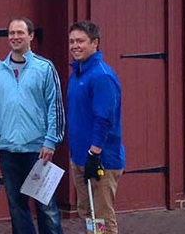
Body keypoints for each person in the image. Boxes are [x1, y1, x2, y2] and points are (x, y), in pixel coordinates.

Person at [0, 17, 65, 234]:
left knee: (46, 206)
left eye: (20, 33)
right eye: (12, 33)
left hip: (38, 150)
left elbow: (54, 107)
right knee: (16, 206)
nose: (15, 37)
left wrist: (50, 141)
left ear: (31, 36)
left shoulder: (44, 68)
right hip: (8, 149)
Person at [66, 21, 124, 233]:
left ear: (95, 43)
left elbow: (104, 118)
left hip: (100, 161)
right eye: (72, 41)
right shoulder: (77, 74)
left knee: (102, 217)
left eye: (80, 41)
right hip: (80, 158)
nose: (75, 46)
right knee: (87, 213)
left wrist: (94, 153)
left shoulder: (101, 76)